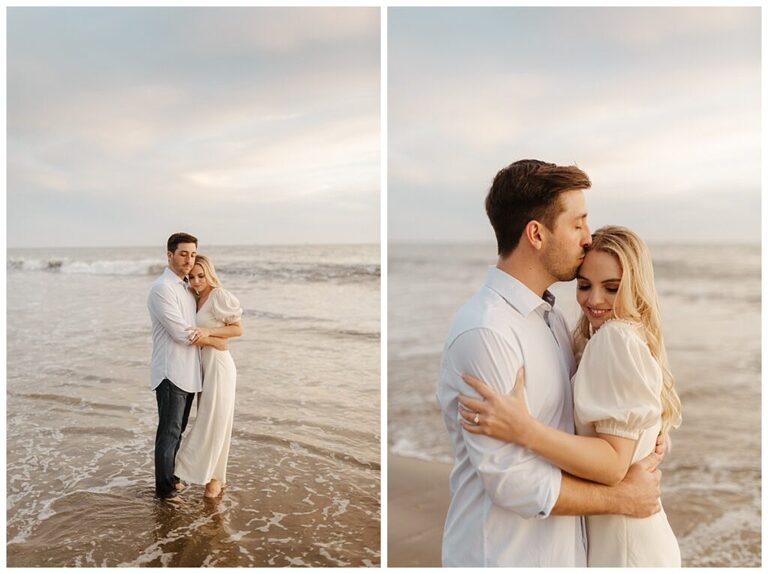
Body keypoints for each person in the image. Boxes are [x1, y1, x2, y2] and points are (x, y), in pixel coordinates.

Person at [436, 160, 664, 567]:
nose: (587, 238)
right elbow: (511, 480)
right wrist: (620, 497)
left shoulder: (552, 318)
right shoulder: (487, 332)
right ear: (537, 234)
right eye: (577, 224)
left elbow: (599, 411)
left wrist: (645, 435)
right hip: (506, 556)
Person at [148, 233, 227, 503]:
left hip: (189, 373)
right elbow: (181, 334)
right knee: (168, 432)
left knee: (177, 430)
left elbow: (196, 326)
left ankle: (171, 478)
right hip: (170, 372)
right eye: (183, 253)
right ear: (169, 255)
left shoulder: (186, 287)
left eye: (192, 254)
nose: (188, 259)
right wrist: (217, 341)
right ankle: (164, 490)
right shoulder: (162, 289)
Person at [174, 254, 243, 499]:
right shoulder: (193, 297)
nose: (196, 281)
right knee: (212, 420)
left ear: (210, 274)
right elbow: (218, 342)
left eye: (201, 276)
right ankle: (216, 478)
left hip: (220, 368)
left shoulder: (219, 295)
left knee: (214, 422)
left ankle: (202, 475)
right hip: (204, 366)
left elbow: (237, 329)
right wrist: (212, 340)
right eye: (192, 276)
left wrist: (207, 333)